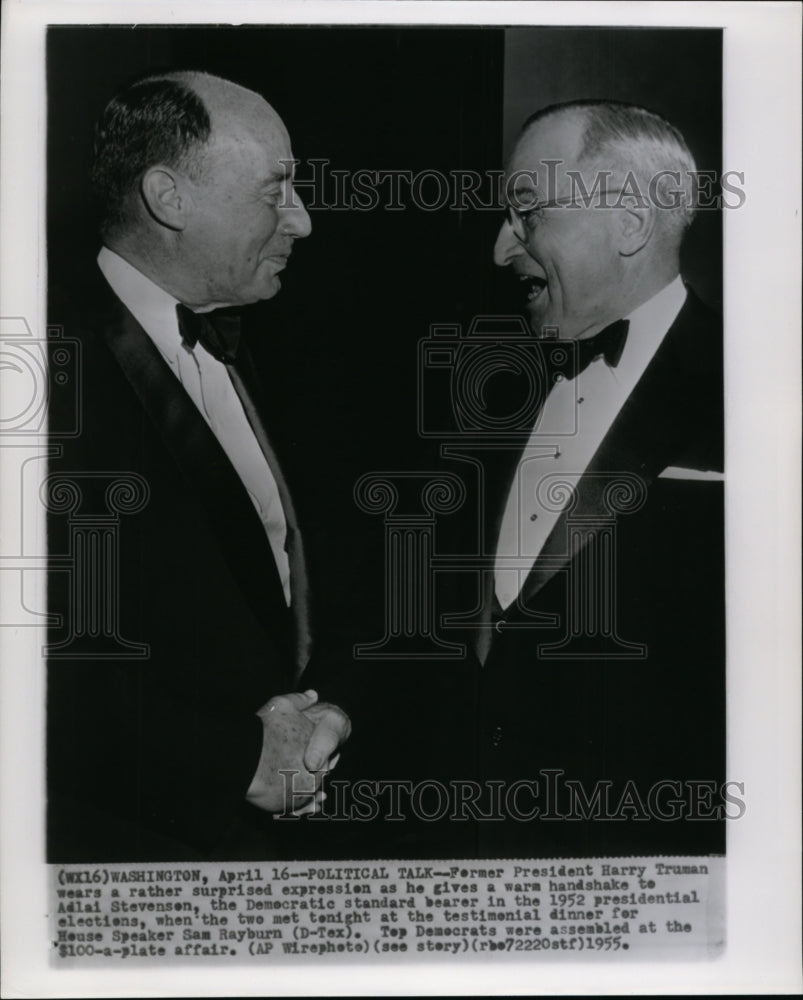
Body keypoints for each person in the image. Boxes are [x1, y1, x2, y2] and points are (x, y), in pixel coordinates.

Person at [46, 71, 350, 862]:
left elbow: (298, 587)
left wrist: (330, 718)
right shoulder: (42, 370)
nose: (303, 221)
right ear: (168, 197)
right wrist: (236, 759)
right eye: (275, 190)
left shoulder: (279, 348)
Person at [456, 100, 725, 857]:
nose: (500, 247)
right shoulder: (485, 388)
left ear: (630, 223)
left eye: (526, 214)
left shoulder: (757, 392)